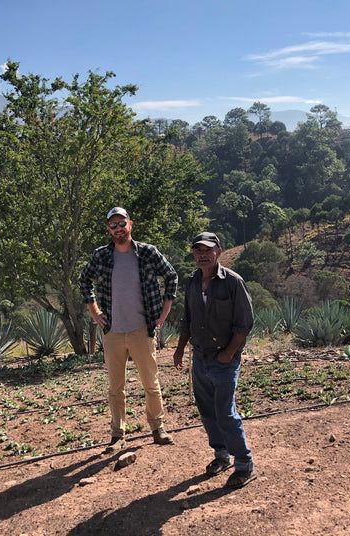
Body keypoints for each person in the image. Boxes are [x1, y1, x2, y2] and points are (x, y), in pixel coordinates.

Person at [79, 207, 178, 454]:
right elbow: (84, 281)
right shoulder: (101, 256)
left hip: (142, 329)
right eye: (113, 226)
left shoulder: (147, 252)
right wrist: (94, 312)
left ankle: (158, 428)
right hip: (112, 332)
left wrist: (164, 313)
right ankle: (117, 435)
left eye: (122, 224)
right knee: (115, 388)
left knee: (151, 383)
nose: (118, 229)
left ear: (130, 224)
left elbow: (171, 276)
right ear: (108, 229)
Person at [174, 231, 256, 489]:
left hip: (224, 359)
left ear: (218, 252)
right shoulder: (191, 282)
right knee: (208, 410)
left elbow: (245, 323)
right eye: (198, 251)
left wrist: (229, 353)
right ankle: (222, 456)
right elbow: (187, 319)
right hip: (200, 357)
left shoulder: (233, 282)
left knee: (225, 412)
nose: (202, 255)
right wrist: (179, 348)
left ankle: (244, 463)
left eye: (208, 250)